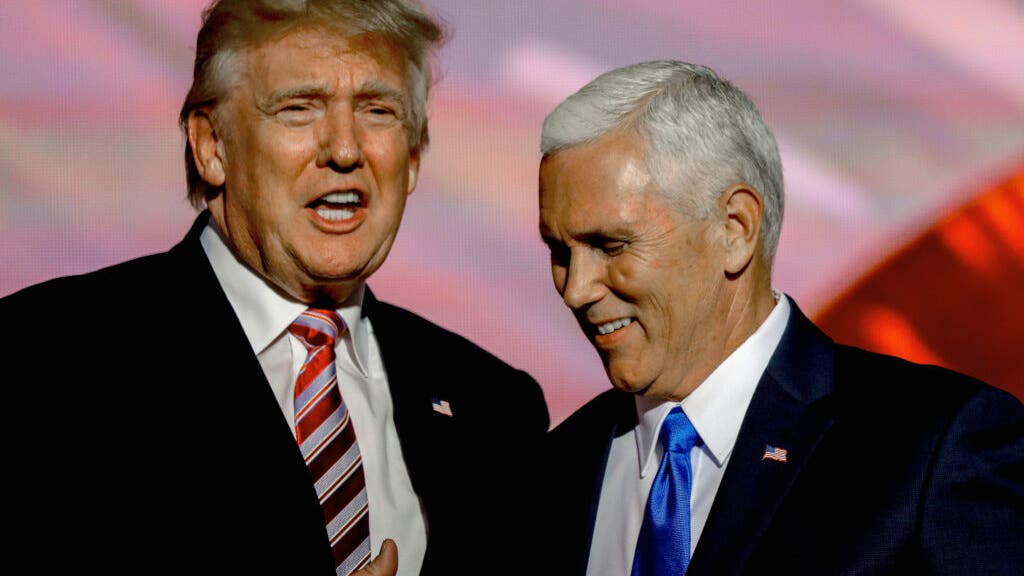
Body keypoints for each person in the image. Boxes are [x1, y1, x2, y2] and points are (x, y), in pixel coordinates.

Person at [0, 1, 548, 575]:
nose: (344, 149)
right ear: (212, 146)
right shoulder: (43, 360)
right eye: (299, 109)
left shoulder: (495, 409)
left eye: (377, 111)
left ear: (412, 158)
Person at [536, 60, 1023, 575]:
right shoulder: (551, 473)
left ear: (735, 228)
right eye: (560, 252)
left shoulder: (932, 450)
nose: (575, 289)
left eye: (610, 245)